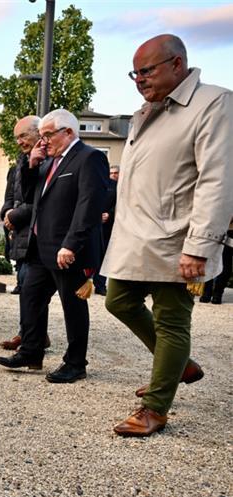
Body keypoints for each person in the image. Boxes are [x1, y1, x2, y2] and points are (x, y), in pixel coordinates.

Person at [103, 34, 232, 437]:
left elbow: (217, 178)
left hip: (180, 236)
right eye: (135, 72)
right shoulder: (149, 111)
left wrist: (201, 244)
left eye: (147, 70)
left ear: (177, 64)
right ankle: (180, 363)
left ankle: (155, 407)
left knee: (172, 320)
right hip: (139, 235)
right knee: (118, 299)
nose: (138, 79)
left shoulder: (213, 103)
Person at [0, 109, 108, 383]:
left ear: (67, 132)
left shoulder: (89, 157)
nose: (43, 141)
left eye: (47, 135)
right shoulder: (48, 161)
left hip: (69, 250)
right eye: (41, 136)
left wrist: (71, 244)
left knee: (73, 307)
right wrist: (31, 164)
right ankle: (31, 352)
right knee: (30, 297)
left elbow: (89, 205)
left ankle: (75, 363)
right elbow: (31, 194)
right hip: (41, 248)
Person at [0, 115, 49, 352]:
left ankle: (32, 337)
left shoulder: (49, 162)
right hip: (20, 235)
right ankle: (29, 333)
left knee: (33, 289)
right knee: (24, 284)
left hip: (40, 235)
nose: (19, 141)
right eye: (17, 137)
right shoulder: (17, 165)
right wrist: (6, 214)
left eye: (23, 135)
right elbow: (10, 198)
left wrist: (14, 216)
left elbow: (38, 201)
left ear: (39, 134)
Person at [93, 165, 119, 295]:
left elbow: (119, 205)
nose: (113, 175)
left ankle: (100, 285)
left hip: (109, 227)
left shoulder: (117, 187)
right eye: (111, 173)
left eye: (116, 173)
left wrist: (109, 214)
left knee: (104, 256)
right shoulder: (95, 183)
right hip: (93, 225)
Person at [199, 217, 232, 304]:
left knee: (222, 263)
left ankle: (214, 294)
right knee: (217, 262)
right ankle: (211, 294)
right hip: (220, 230)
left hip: (222, 230)